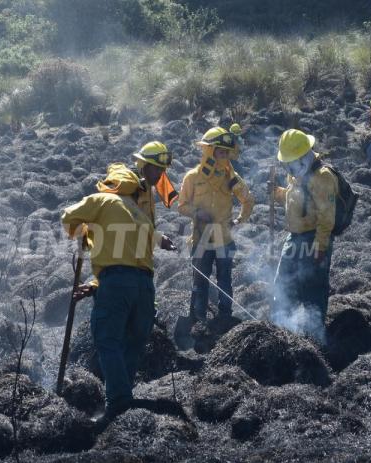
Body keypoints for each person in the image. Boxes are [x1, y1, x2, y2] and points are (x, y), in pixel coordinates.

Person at [61, 163, 156, 426]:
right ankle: (124, 397)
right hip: (146, 288)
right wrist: (94, 285)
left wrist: (86, 231)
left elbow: (68, 217)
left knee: (107, 340)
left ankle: (118, 403)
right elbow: (133, 262)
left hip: (116, 284)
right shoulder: (142, 215)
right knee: (133, 342)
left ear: (111, 184)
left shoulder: (103, 200)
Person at [178, 127, 255, 322]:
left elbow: (248, 200)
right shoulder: (193, 177)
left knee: (225, 281)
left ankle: (225, 318)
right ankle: (198, 319)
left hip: (224, 239)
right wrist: (197, 213)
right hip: (200, 239)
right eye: (221, 152)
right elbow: (181, 206)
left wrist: (238, 220)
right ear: (209, 151)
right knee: (199, 282)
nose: (225, 156)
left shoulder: (230, 177)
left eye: (227, 152)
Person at [269, 129, 338, 340]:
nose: (288, 166)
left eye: (291, 161)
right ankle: (283, 330)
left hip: (315, 238)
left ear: (303, 155)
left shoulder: (323, 177)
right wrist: (277, 192)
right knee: (284, 283)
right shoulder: (297, 172)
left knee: (313, 287)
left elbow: (327, 218)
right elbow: (297, 201)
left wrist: (320, 246)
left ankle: (316, 336)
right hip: (295, 237)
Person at [133, 141, 178, 251]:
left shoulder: (147, 186)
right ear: (143, 165)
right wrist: (158, 238)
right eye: (157, 168)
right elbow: (131, 225)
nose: (160, 174)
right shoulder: (132, 187)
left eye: (163, 169)